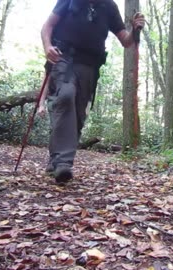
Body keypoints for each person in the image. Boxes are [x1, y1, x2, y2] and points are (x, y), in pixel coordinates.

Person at [38, 0, 145, 184]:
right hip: (63, 57)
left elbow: (126, 41)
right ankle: (63, 163)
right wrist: (47, 47)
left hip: (89, 66)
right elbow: (47, 27)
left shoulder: (109, 7)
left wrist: (135, 30)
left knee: (78, 114)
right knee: (65, 96)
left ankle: (55, 160)